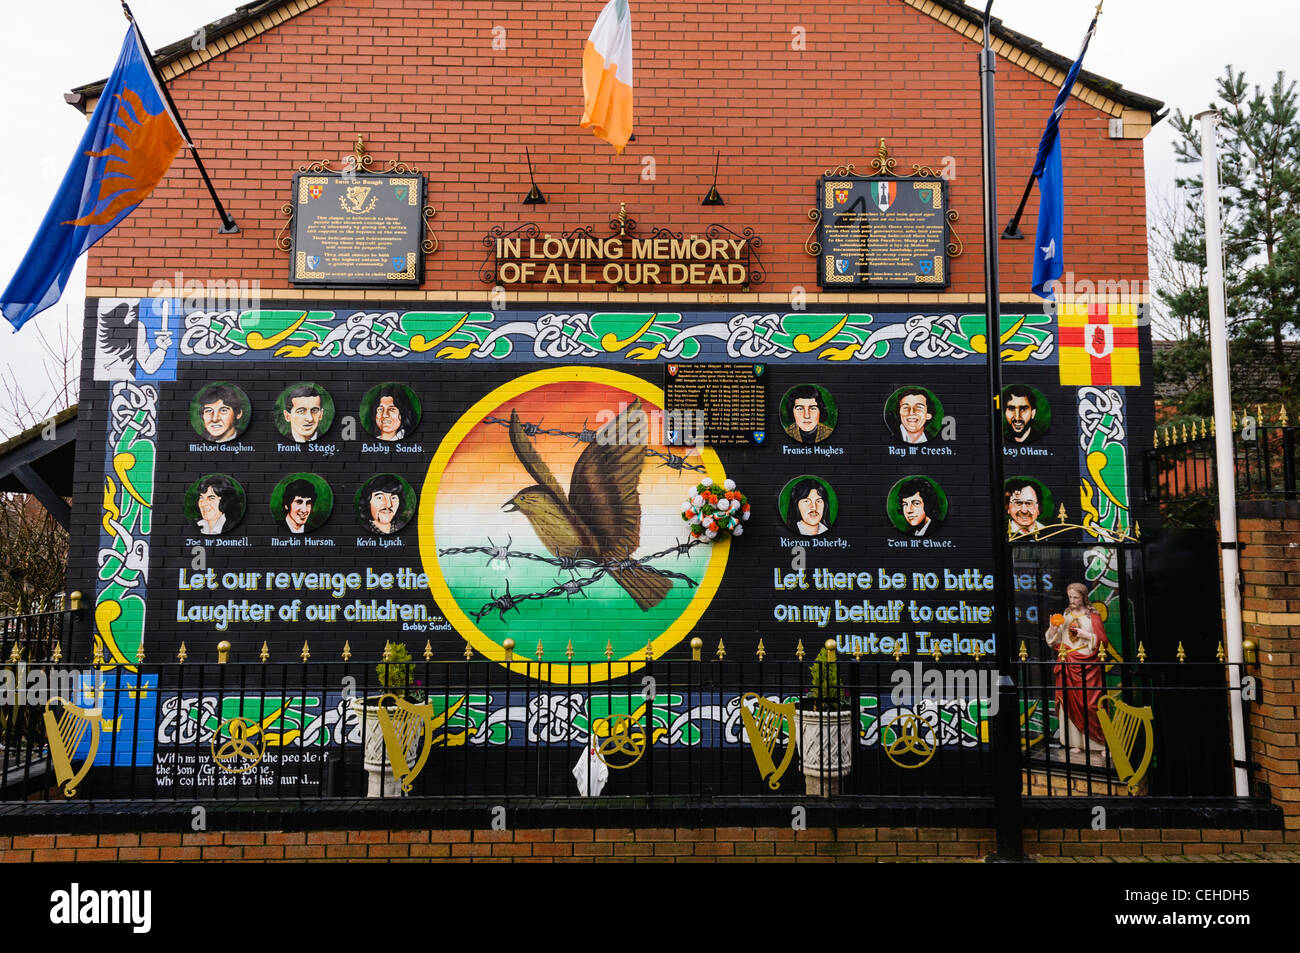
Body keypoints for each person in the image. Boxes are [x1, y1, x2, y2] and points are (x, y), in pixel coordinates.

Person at [1044, 583, 1111, 753]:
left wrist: (1086, 635)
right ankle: (1077, 743)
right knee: (1069, 703)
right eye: (1070, 597)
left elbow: (1103, 641)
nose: (1072, 601)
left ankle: (1103, 742)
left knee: (1093, 705)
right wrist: (1052, 629)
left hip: (1089, 666)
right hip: (1068, 663)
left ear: (1083, 598)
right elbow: (1056, 641)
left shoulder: (1092, 616)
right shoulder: (1065, 616)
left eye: (1076, 597)